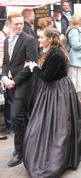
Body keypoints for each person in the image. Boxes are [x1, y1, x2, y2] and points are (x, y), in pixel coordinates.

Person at [23, 27, 81, 178]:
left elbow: (46, 76)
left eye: (41, 37)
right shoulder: (51, 52)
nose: (39, 39)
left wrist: (34, 67)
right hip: (53, 90)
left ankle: (58, 156)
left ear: (50, 39)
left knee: (59, 123)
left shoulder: (56, 54)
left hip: (57, 92)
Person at [2, 12, 38, 167]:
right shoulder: (7, 40)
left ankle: (20, 151)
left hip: (24, 84)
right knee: (22, 117)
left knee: (16, 116)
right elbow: (6, 62)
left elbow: (32, 64)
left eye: (21, 23)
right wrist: (3, 77)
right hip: (9, 83)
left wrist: (14, 81)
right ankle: (30, 145)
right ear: (9, 24)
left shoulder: (29, 40)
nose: (19, 26)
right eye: (16, 23)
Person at [66, 14, 81, 96]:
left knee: (78, 81)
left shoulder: (75, 30)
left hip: (78, 59)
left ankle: (78, 99)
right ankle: (76, 100)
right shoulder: (73, 31)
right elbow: (75, 45)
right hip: (76, 59)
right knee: (76, 81)